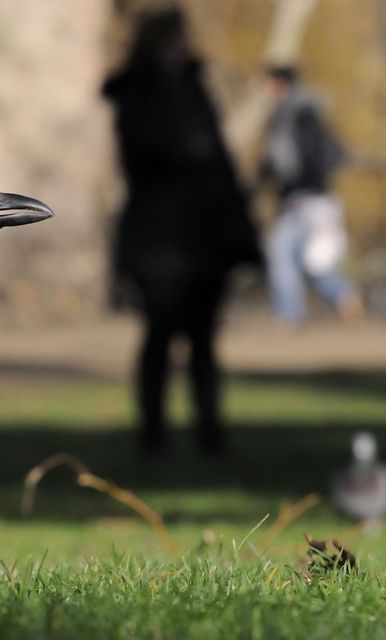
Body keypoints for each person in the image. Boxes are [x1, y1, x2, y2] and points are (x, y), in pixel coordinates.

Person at [103, 9, 261, 454]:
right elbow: (146, 156)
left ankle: (209, 431)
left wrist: (239, 229)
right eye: (170, 41)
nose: (178, 50)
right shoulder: (138, 94)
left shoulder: (195, 89)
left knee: (204, 340)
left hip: (205, 235)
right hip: (159, 238)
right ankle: (153, 435)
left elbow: (220, 164)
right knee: (159, 335)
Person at [260, 66, 363, 325]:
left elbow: (289, 162)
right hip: (308, 197)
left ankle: (290, 313)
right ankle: (344, 296)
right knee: (303, 259)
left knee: (283, 254)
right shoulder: (303, 114)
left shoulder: (294, 117)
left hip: (304, 198)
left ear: (280, 85)